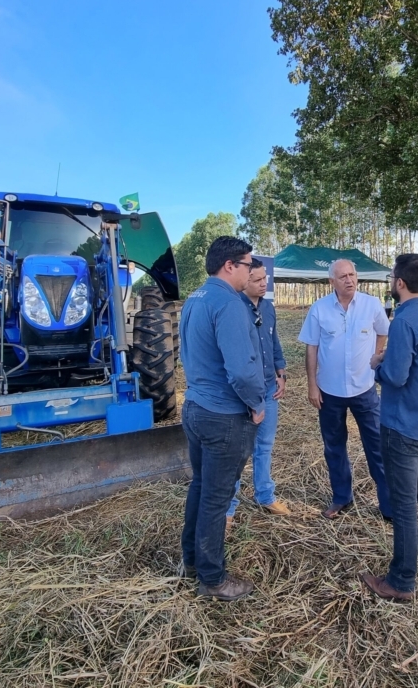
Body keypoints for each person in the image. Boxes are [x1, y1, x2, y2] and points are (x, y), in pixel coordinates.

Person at [179, 236, 266, 602]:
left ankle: (192, 561)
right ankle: (213, 579)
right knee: (216, 498)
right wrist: (257, 403)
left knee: (201, 488)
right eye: (247, 264)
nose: (252, 271)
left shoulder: (195, 298)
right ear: (230, 266)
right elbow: (242, 372)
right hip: (224, 416)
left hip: (196, 407)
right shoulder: (229, 304)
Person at [360, 253, 418, 602]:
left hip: (401, 424)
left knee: (403, 501)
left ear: (399, 283)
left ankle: (401, 580)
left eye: (392, 278)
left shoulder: (403, 321)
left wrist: (376, 366)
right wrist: (390, 357)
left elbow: (396, 376)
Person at [299, 259, 392, 521]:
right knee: (334, 447)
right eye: (342, 276)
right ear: (332, 282)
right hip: (329, 393)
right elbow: (311, 347)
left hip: (365, 389)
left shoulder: (372, 305)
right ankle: (341, 497)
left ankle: (388, 505)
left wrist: (375, 357)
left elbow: (382, 333)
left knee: (376, 445)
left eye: (352, 274)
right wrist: (312, 385)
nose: (349, 280)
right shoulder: (319, 309)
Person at [226, 258, 290, 523]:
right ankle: (228, 506)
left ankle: (265, 495)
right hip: (243, 391)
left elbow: (273, 341)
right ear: (243, 280)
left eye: (266, 279)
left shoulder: (268, 308)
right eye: (257, 280)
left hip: (268, 386)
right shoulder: (233, 310)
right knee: (239, 449)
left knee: (265, 444)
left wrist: (281, 371)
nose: (264, 284)